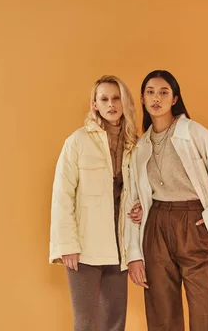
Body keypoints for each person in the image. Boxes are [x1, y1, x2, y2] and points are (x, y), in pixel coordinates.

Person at [125, 70, 208, 331]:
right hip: (157, 223)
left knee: (203, 312)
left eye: (164, 92)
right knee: (161, 308)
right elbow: (135, 195)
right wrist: (135, 248)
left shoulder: (193, 132)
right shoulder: (141, 145)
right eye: (150, 92)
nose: (157, 98)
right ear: (142, 99)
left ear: (175, 98)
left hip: (193, 221)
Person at [49, 75, 143, 331]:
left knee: (115, 320)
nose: (111, 104)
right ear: (94, 105)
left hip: (119, 242)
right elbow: (62, 195)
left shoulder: (134, 143)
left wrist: (140, 206)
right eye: (104, 99)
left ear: (124, 102)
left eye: (116, 98)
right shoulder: (77, 141)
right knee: (86, 322)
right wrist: (67, 244)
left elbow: (141, 189)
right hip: (84, 245)